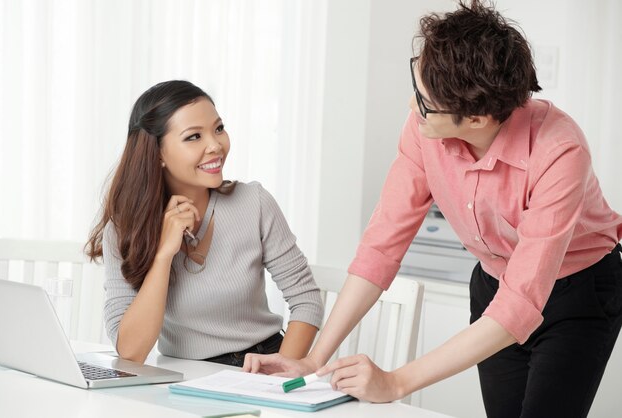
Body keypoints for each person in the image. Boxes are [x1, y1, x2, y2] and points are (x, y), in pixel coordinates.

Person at [243, 1, 622, 417]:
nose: (411, 108)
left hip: (578, 292)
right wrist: (315, 360)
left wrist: (396, 382)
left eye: (425, 104)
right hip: (495, 282)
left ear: (477, 118)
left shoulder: (559, 150)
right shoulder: (424, 129)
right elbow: (381, 247)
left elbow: (520, 304)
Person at [86, 80, 324, 367]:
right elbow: (131, 351)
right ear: (157, 152)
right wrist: (163, 255)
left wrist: (279, 371)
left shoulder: (254, 202)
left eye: (218, 129)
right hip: (186, 374)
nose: (215, 145)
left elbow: (306, 299)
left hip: (264, 363)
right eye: (193, 137)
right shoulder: (126, 228)